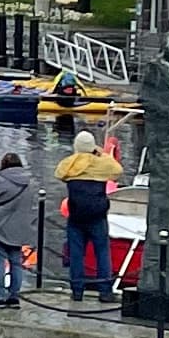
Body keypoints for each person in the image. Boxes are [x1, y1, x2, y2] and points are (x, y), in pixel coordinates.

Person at [60, 130, 123, 303]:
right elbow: (118, 170)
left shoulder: (70, 165)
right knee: (102, 253)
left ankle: (77, 291)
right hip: (97, 216)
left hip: (76, 216)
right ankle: (105, 291)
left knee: (76, 255)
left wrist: (77, 158)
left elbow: (59, 173)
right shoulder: (101, 165)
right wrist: (101, 153)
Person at [0, 148, 39, 306]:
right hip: (20, 229)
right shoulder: (30, 183)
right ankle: (14, 297)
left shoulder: (1, 180)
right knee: (16, 263)